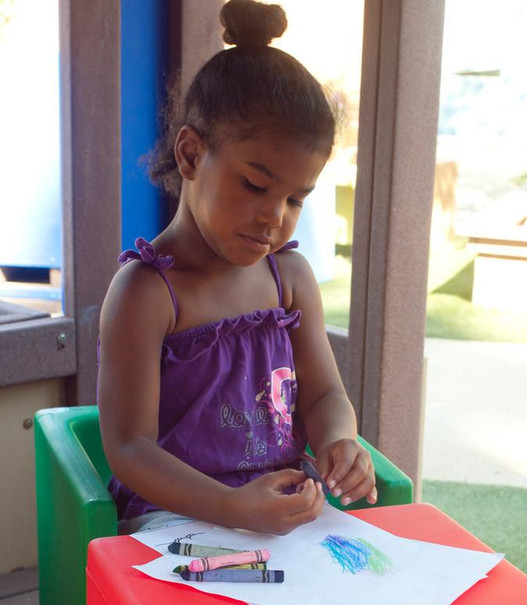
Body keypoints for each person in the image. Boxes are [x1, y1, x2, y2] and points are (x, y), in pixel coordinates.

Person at [98, 0, 376, 536]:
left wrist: (341, 437)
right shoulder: (146, 292)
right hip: (174, 519)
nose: (274, 217)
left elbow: (323, 396)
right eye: (255, 185)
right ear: (191, 155)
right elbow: (130, 448)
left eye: (296, 198)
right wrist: (230, 507)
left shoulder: (289, 280)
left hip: (283, 510)